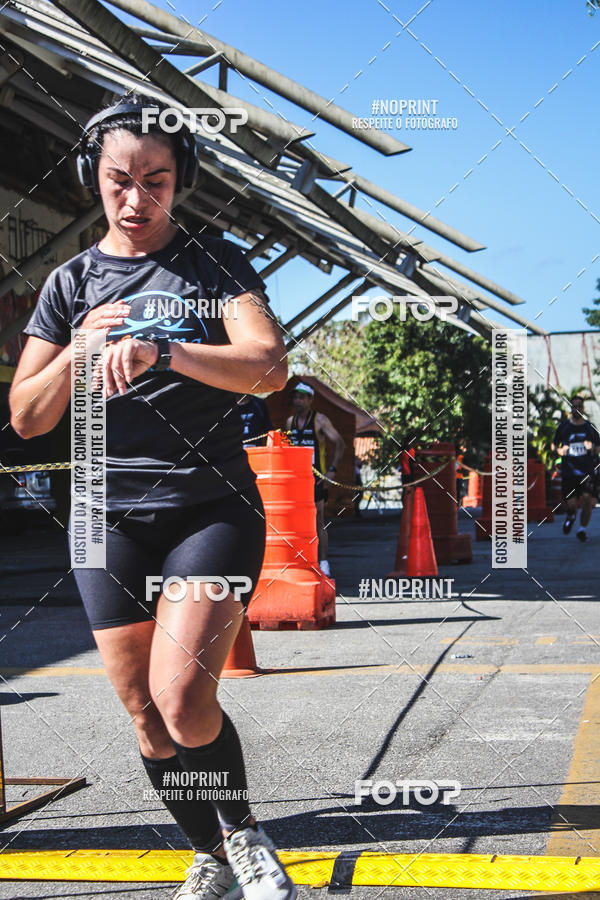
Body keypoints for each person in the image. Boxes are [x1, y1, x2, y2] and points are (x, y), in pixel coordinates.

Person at [9, 95, 296, 900]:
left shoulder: (215, 263)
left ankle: (243, 838)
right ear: (91, 179)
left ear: (182, 181)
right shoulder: (69, 284)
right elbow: (28, 418)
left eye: (157, 181)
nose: (136, 200)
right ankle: (206, 849)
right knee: (143, 711)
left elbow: (269, 365)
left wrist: (164, 349)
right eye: (119, 180)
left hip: (208, 510)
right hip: (104, 522)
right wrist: (79, 349)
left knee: (183, 698)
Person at [285, 382, 345, 577]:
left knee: (319, 521)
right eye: (295, 397)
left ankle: (324, 561)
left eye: (302, 398)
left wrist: (332, 471)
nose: (298, 401)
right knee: (295, 523)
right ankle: (301, 561)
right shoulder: (289, 422)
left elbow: (340, 443)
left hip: (316, 479)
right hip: (296, 480)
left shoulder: (319, 420)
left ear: (311, 400)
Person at [551, 395, 600, 542]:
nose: (577, 409)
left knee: (586, 499)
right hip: (569, 471)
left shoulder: (590, 427)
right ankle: (571, 516)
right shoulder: (564, 427)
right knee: (571, 504)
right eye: (574, 406)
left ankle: (582, 529)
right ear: (571, 409)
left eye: (580, 406)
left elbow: (598, 447)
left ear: (583, 409)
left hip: (587, 471)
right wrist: (560, 451)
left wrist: (593, 448)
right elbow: (554, 445)